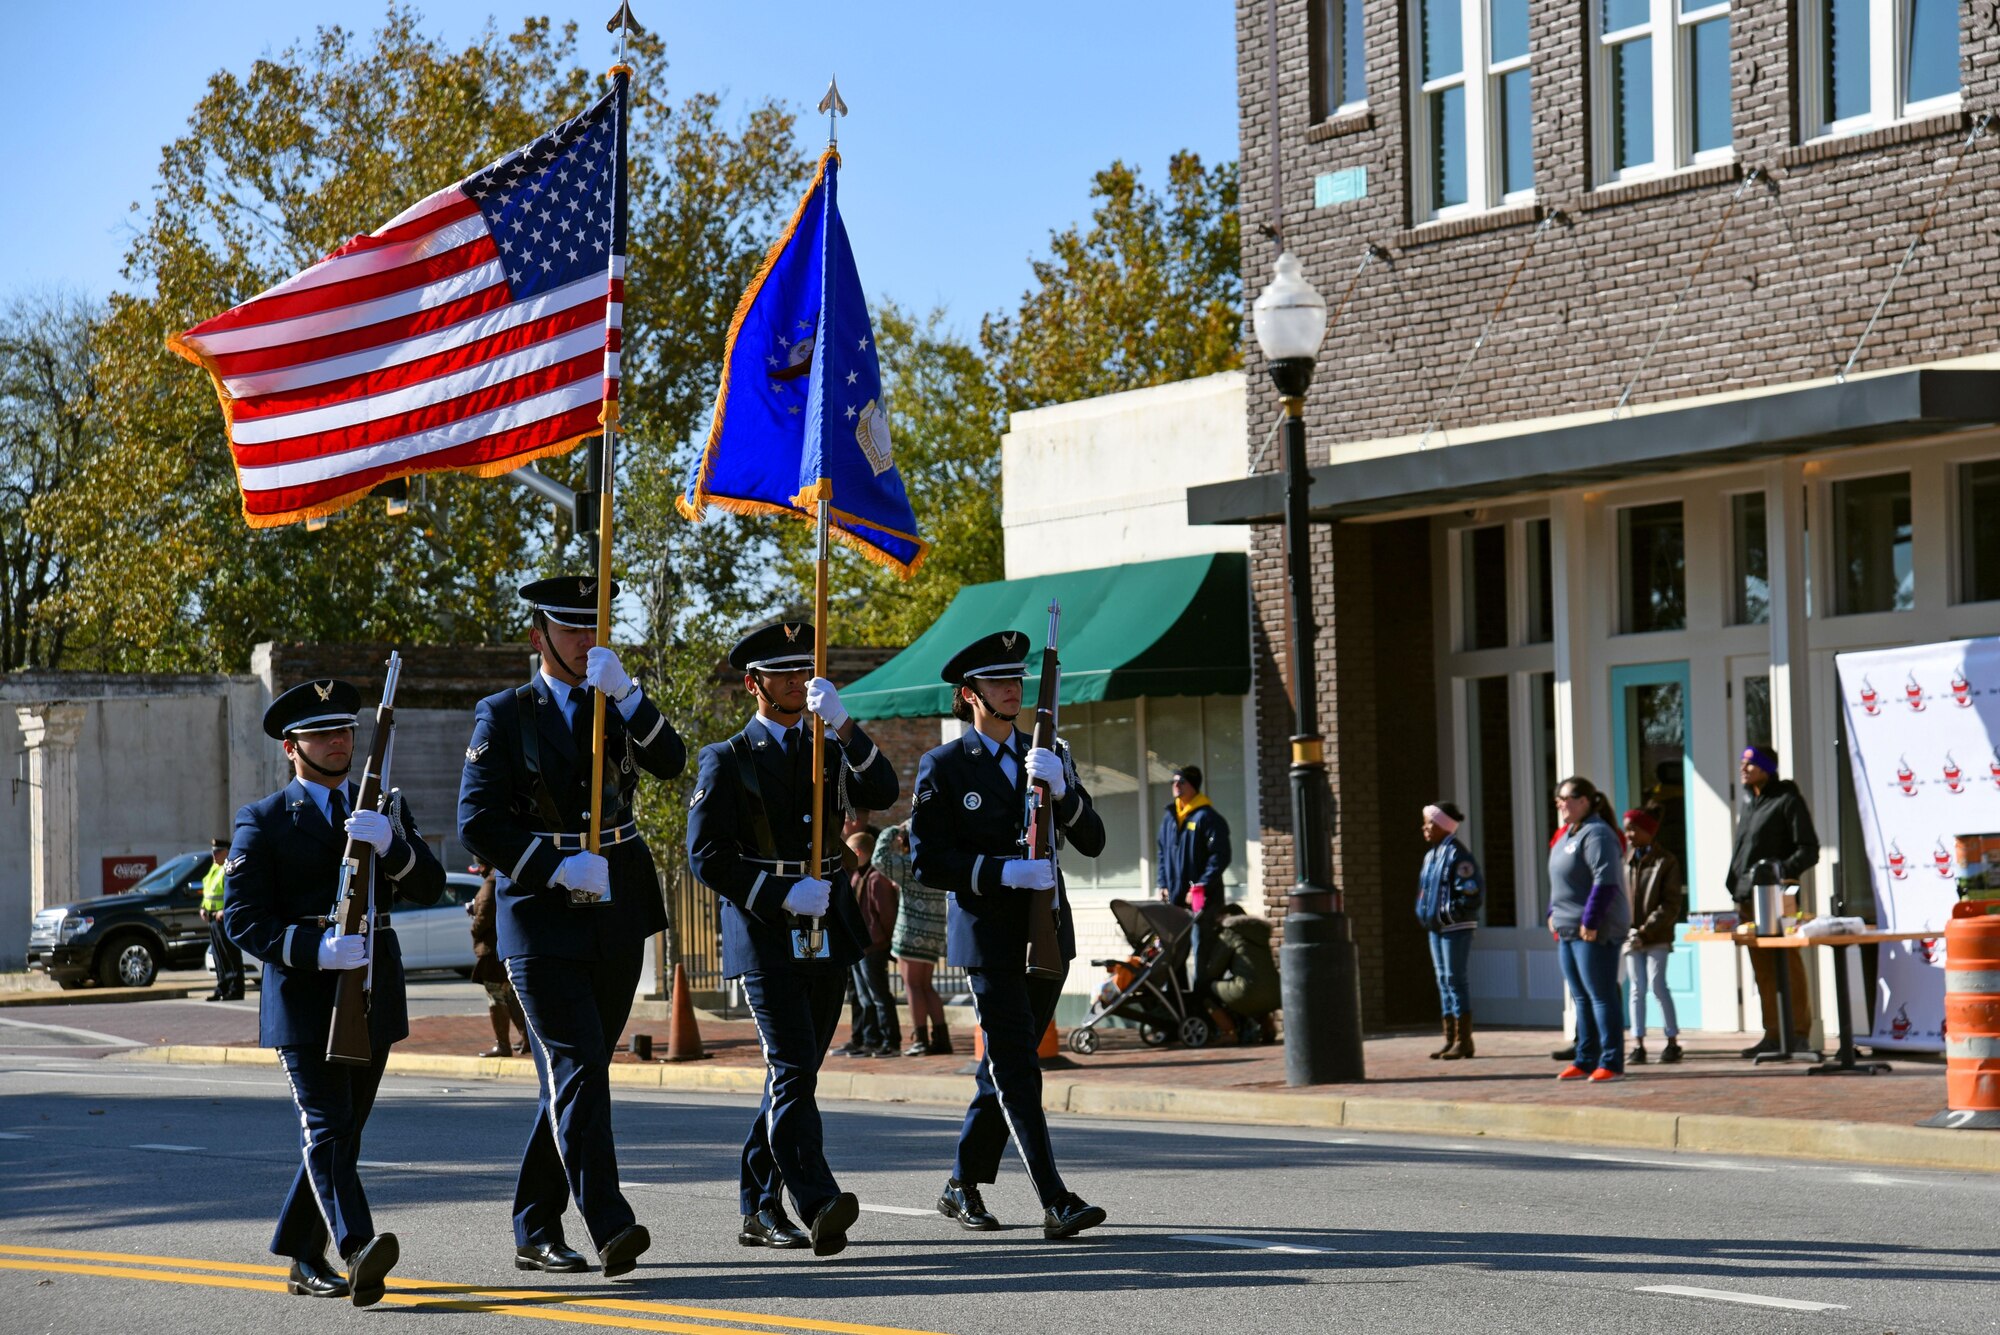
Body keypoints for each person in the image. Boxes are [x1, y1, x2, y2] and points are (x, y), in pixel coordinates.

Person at [458, 576, 686, 1279]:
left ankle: (533, 1225)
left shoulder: (614, 703)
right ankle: (610, 1222)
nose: (588, 640)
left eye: (596, 627)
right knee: (580, 1063)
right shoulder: (505, 713)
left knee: (575, 1073)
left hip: (616, 905)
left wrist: (632, 696)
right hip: (539, 913)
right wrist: (550, 868)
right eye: (572, 629)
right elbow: (477, 820)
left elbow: (672, 762)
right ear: (540, 638)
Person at [222, 678, 444, 1306]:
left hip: (371, 989)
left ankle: (299, 1254)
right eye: (321, 733)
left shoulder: (382, 806)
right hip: (304, 997)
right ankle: (356, 1246)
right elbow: (242, 918)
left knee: (345, 1133)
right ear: (291, 747)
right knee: (328, 1126)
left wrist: (392, 846)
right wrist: (313, 948)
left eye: (345, 729)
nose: (339, 741)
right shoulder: (262, 821)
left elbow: (428, 885)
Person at [685, 619, 900, 1256]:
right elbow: (706, 855)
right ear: (754, 684)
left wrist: (844, 724)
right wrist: (779, 893)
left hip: (826, 921)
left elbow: (884, 791)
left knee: (797, 1071)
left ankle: (757, 1207)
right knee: (790, 1067)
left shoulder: (828, 748)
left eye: (802, 669)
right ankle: (818, 1199)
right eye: (781, 671)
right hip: (766, 929)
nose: (797, 679)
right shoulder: (726, 759)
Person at [911, 629, 1109, 1241]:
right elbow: (927, 860)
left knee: (1001, 1064)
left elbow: (1094, 840)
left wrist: (1066, 791)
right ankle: (1055, 1198)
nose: (1011, 689)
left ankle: (961, 1183)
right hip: (989, 933)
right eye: (998, 681)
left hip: (1047, 930)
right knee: (1019, 1066)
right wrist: (1000, 871)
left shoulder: (1048, 753)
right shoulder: (943, 766)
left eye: (1017, 679)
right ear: (969, 695)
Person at [1723, 743, 1821, 1057]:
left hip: (1777, 899)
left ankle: (1798, 1033)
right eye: (1742, 763)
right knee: (1763, 969)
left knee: (1788, 965)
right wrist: (1736, 882)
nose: (1743, 768)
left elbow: (1809, 849)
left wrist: (1775, 873)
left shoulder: (1787, 800)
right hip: (1748, 899)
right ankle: (1773, 1034)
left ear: (1766, 768)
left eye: (1750, 764)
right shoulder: (1751, 803)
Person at [1547, 776, 1630, 1083]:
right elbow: (1559, 880)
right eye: (1558, 798)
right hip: (1567, 929)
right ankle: (1584, 1059)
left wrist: (1590, 921)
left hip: (1593, 930)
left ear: (1584, 801)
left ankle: (1612, 1061)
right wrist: (1551, 912)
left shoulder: (1597, 834)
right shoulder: (1566, 834)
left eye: (1566, 798)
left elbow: (1604, 882)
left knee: (1601, 995)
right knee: (1580, 997)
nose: (1560, 803)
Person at [1415, 802, 1482, 1060]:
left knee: (1455, 979)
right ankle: (1450, 1038)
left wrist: (1448, 914)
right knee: (1442, 980)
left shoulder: (1458, 855)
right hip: (1436, 928)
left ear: (1444, 825)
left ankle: (1465, 1040)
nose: (1425, 828)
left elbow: (1471, 893)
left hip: (1455, 927)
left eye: (1429, 823)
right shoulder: (1431, 855)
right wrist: (1425, 914)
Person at [1155, 765, 1231, 989]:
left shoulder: (1208, 817)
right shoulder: (1170, 818)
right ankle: (1180, 1005)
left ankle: (1203, 1005)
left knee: (1203, 952)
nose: (1175, 786)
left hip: (1203, 902)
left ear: (1193, 786)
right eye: (1173, 782)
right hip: (1176, 900)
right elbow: (1162, 853)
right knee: (1174, 953)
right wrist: (1163, 884)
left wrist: (1201, 886)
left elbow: (1220, 856)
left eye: (1181, 781)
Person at [880, 821, 950, 1055]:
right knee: (926, 986)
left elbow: (879, 858)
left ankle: (920, 1039)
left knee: (912, 986)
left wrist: (893, 829)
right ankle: (942, 1038)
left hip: (910, 933)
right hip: (934, 933)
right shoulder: (938, 864)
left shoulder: (909, 865)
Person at [1622, 808, 1684, 1065]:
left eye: (1634, 829)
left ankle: (1672, 1041)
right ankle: (1638, 1043)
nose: (1629, 835)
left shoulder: (1665, 861)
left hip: (1655, 936)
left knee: (1658, 985)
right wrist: (1627, 929)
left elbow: (1670, 903)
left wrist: (1646, 930)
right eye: (1627, 829)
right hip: (1630, 936)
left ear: (1649, 831)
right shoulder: (1625, 861)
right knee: (1636, 988)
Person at [847, 827, 902, 1057]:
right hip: (860, 946)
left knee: (879, 996)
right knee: (865, 997)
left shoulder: (876, 877)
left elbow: (886, 915)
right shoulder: (859, 875)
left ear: (859, 852)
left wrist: (885, 941)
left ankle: (891, 1040)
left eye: (849, 852)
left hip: (874, 946)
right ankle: (871, 1039)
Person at [467, 866, 528, 1058]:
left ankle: (503, 1044)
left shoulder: (490, 883)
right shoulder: (503, 876)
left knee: (495, 997)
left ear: (483, 866)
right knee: (509, 995)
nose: (478, 872)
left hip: (491, 951)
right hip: (504, 946)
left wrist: (474, 927)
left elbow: (484, 915)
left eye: (478, 869)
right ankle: (527, 1038)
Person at [1199, 903, 1280, 1043]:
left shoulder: (1231, 933)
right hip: (1275, 993)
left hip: (1248, 992)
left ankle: (1229, 1033)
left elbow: (1214, 970)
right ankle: (1268, 1029)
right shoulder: (1260, 933)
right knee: (1257, 986)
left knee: (1205, 990)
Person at [201, 837, 245, 1002]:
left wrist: (224, 910)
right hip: (213, 918)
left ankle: (235, 990)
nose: (214, 855)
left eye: (217, 852)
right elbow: (208, 891)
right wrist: (203, 908)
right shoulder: (214, 868)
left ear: (226, 852)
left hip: (224, 917)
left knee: (230, 955)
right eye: (213, 852)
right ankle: (222, 988)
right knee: (219, 956)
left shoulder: (229, 868)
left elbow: (235, 893)